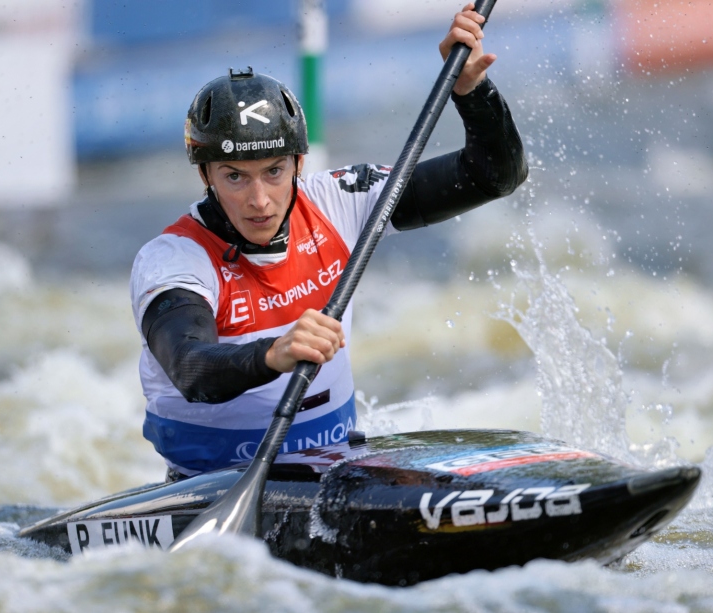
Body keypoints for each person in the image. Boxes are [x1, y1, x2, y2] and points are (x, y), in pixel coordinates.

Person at [130, 4, 528, 481]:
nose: (259, 200)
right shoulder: (173, 259)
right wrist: (273, 353)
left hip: (334, 466)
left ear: (299, 163)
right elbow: (190, 367)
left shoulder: (341, 199)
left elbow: (494, 176)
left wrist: (471, 91)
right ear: (205, 175)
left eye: (274, 172)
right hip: (213, 480)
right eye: (235, 177)